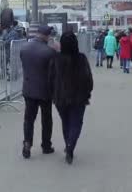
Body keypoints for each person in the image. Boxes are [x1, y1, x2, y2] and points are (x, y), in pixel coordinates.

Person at [50, 31, 93, 165]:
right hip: (79, 97)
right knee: (76, 122)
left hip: (60, 97)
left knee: (65, 121)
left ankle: (68, 144)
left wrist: (53, 94)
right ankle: (70, 146)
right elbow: (88, 78)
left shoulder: (55, 59)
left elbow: (50, 78)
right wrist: (88, 91)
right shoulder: (81, 58)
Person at [20, 25, 56, 159]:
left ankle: (27, 144)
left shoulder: (24, 48)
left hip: (29, 89)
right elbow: (54, 73)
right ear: (47, 36)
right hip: (45, 91)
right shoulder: (49, 52)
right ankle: (46, 146)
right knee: (46, 119)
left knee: (29, 119)